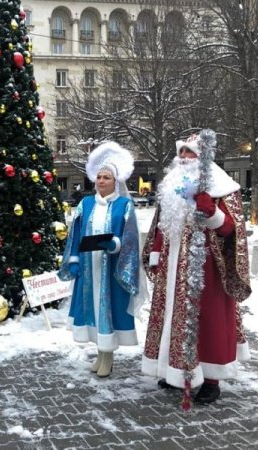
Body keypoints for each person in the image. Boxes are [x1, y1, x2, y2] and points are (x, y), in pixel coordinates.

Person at [142, 131, 251, 405]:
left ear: (202, 157)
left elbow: (233, 230)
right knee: (173, 318)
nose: (183, 157)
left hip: (207, 270)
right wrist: (156, 252)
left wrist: (212, 214)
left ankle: (211, 379)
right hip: (172, 267)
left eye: (189, 152)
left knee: (207, 321)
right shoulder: (171, 185)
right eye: (181, 152)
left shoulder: (222, 187)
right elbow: (161, 224)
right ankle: (175, 371)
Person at [58, 142, 148, 377]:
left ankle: (107, 356)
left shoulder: (123, 205)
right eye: (98, 177)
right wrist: (74, 260)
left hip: (111, 268)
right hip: (89, 268)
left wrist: (114, 244)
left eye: (106, 177)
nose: (101, 181)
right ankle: (100, 354)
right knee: (91, 310)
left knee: (108, 309)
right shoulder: (85, 203)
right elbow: (75, 233)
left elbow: (130, 237)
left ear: (115, 181)